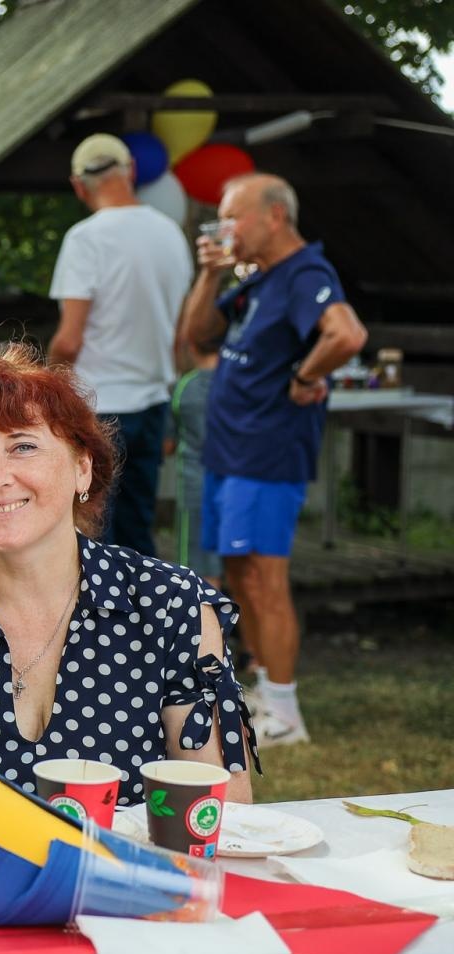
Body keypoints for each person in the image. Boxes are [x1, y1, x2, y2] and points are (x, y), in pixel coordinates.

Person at [0, 344, 257, 808]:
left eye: (23, 447)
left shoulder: (170, 605)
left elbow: (220, 815)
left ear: (81, 468)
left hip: (132, 878)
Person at [181, 173, 368, 747]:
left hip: (265, 456)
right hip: (230, 452)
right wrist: (212, 271)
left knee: (265, 578)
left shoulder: (304, 271)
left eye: (234, 215)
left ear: (274, 217)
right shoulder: (258, 279)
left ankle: (285, 712)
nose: (226, 225)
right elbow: (197, 337)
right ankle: (263, 694)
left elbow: (347, 333)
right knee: (239, 573)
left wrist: (305, 376)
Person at [48, 133, 193, 557]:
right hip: (154, 405)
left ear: (79, 185)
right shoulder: (171, 234)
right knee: (138, 539)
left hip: (98, 407)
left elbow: (69, 339)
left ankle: (99, 627)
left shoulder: (85, 238)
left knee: (92, 543)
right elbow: (181, 336)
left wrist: (47, 385)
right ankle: (145, 623)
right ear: (130, 171)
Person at [167, 346, 221, 587]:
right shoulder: (241, 382)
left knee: (199, 573)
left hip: (196, 486)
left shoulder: (185, 386)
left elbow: (167, 445)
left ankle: (207, 625)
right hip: (240, 485)